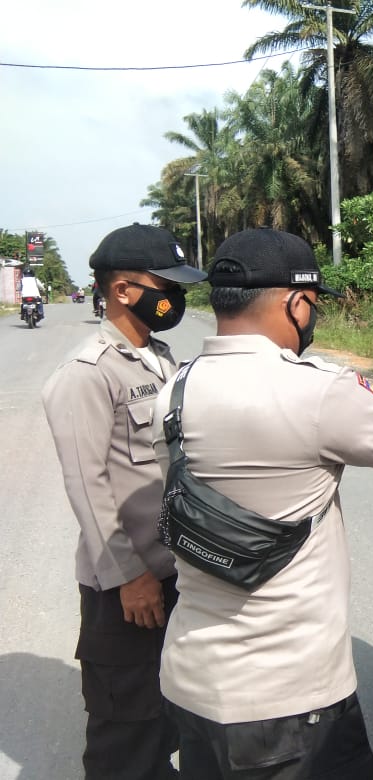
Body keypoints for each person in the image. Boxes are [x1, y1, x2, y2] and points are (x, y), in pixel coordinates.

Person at [149, 227, 373, 780]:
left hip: (192, 683)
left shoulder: (173, 392)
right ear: (296, 303)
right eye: (313, 305)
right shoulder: (315, 391)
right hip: (290, 701)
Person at [41, 223, 208, 779]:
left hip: (176, 574)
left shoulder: (160, 359)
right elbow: (87, 486)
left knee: (169, 715)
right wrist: (129, 576)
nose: (175, 297)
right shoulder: (87, 375)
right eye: (167, 286)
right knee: (126, 734)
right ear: (122, 290)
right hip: (127, 589)